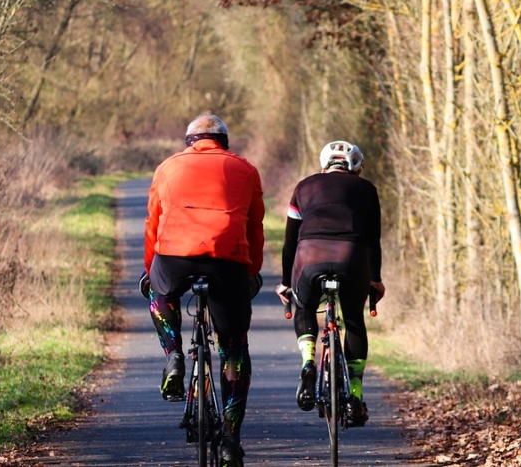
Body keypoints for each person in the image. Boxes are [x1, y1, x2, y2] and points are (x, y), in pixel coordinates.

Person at [140, 114, 264, 467]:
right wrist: (251, 273)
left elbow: (153, 223)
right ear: (223, 142)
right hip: (228, 261)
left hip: (174, 257)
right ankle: (229, 439)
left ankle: (174, 355)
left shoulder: (167, 167)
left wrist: (152, 271)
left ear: (189, 142)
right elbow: (255, 228)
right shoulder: (246, 169)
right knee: (234, 347)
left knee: (159, 294)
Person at [274, 140, 385, 428]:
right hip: (352, 257)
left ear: (324, 164)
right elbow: (373, 241)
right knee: (354, 322)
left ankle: (309, 362)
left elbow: (290, 243)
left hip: (310, 256)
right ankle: (356, 396)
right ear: (356, 167)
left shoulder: (304, 187)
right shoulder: (368, 189)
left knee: (305, 307)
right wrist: (375, 279)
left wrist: (286, 283)